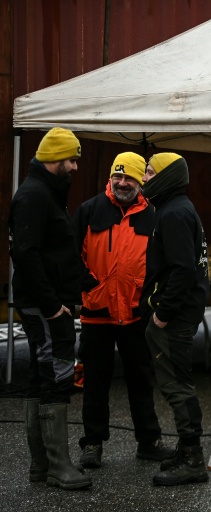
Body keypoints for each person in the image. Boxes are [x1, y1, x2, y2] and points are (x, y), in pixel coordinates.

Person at [72, 152, 174, 469]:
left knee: (141, 380)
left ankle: (148, 441)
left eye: (128, 177)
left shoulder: (154, 214)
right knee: (95, 383)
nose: (121, 182)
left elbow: (162, 263)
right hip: (97, 313)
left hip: (135, 315)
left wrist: (153, 299)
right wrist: (88, 285)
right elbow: (69, 254)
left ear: (139, 181)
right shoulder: (90, 210)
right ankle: (92, 444)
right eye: (117, 176)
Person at [9, 127, 92, 490]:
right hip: (45, 306)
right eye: (72, 159)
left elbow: (53, 250)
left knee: (42, 376)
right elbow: (25, 254)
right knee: (57, 377)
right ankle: (57, 467)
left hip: (49, 301)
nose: (75, 166)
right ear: (56, 159)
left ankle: (42, 468)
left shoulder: (48, 192)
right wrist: (53, 306)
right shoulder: (34, 196)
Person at [141, 152, 211, 486]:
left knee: (177, 386)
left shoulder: (173, 213)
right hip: (179, 313)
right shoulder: (174, 208)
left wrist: (162, 315)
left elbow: (183, 270)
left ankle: (194, 460)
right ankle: (186, 449)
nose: (144, 178)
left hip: (175, 317)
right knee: (176, 383)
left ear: (166, 177)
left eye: (150, 172)